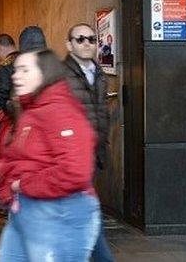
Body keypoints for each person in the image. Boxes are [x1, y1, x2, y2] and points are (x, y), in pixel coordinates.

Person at [0, 49, 99, 262]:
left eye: (24, 70)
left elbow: (74, 171)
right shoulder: (31, 110)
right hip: (27, 208)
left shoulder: (59, 111)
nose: (16, 76)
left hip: (58, 210)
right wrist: (10, 187)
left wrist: (21, 185)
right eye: (16, 70)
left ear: (45, 73)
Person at [62, 23, 114, 262]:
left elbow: (100, 112)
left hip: (93, 154)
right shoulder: (60, 75)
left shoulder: (99, 74)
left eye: (91, 39)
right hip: (71, 158)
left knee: (84, 213)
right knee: (87, 213)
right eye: (80, 39)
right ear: (69, 45)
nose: (86, 44)